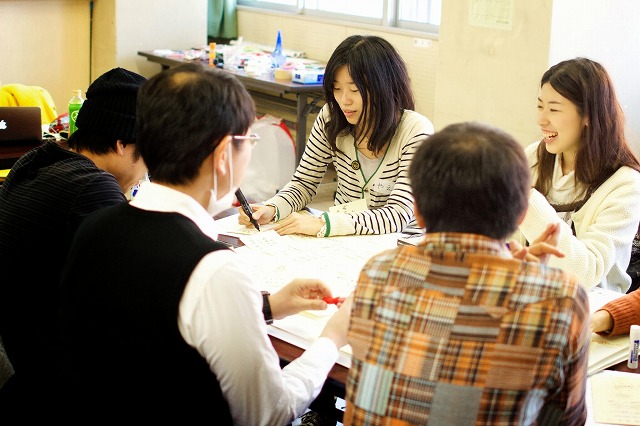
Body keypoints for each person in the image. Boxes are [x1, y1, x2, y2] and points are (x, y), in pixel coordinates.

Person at [56, 63, 352, 423]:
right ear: (225, 155)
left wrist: (272, 305)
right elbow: (269, 413)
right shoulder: (213, 269)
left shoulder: (96, 226)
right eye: (248, 143)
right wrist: (331, 339)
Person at [344, 122, 590, 425]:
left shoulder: (377, 272)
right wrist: (529, 280)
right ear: (522, 214)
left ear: (417, 210)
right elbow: (565, 419)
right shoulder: (561, 297)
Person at [0, 67, 148, 406]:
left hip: (26, 358)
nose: (147, 170)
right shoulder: (93, 187)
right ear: (121, 143)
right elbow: (143, 293)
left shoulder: (37, 160)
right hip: (65, 382)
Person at [238, 35, 434, 237]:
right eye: (337, 88)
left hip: (398, 245)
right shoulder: (331, 117)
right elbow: (303, 183)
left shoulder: (415, 130)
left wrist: (324, 223)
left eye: (355, 89)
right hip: (344, 241)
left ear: (384, 88)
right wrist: (271, 208)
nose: (344, 100)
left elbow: (398, 214)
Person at [517, 57, 640, 293]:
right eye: (540, 106)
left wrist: (524, 197)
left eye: (553, 109)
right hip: (528, 299)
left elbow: (584, 274)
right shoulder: (533, 157)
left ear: (588, 116)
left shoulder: (625, 185)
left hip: (592, 314)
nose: (541, 119)